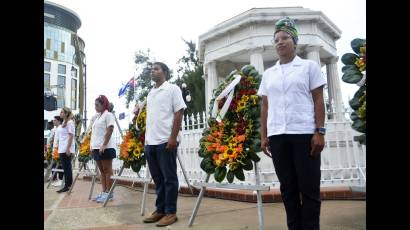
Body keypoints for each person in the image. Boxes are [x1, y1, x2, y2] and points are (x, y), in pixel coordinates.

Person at [258, 17, 326, 230]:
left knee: (309, 189)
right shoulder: (269, 74)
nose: (280, 42)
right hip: (278, 137)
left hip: (304, 134)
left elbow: (318, 99)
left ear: (295, 42)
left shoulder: (308, 67)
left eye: (285, 37)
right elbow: (265, 107)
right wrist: (263, 136)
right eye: (276, 39)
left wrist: (320, 131)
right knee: (288, 189)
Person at [142, 62, 186, 227]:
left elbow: (179, 112)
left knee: (169, 179)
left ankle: (170, 212)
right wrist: (146, 141)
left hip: (165, 141)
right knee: (158, 179)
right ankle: (160, 210)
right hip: (151, 142)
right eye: (151, 69)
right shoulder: (151, 93)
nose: (152, 71)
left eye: (156, 68)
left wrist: (173, 138)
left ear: (165, 72)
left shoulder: (172, 89)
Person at [89, 95, 116, 203]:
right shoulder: (98, 117)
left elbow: (110, 129)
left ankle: (110, 193)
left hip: (106, 147)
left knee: (107, 170)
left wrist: (104, 144)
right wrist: (92, 147)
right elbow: (94, 133)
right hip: (96, 147)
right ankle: (104, 191)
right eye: (95, 105)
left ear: (103, 104)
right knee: (101, 171)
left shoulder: (108, 115)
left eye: (97, 105)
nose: (95, 107)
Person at [56, 107, 75, 193]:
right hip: (62, 148)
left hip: (66, 149)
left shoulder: (70, 122)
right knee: (65, 168)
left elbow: (71, 136)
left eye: (62, 112)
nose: (61, 113)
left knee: (67, 168)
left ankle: (68, 186)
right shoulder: (64, 122)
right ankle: (67, 185)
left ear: (66, 113)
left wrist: (68, 148)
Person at [50, 116, 64, 186]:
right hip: (55, 149)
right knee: (55, 165)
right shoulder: (56, 129)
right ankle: (57, 179)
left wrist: (57, 148)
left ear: (59, 121)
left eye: (55, 120)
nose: (53, 121)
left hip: (59, 149)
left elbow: (60, 140)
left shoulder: (60, 128)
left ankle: (61, 179)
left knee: (60, 165)